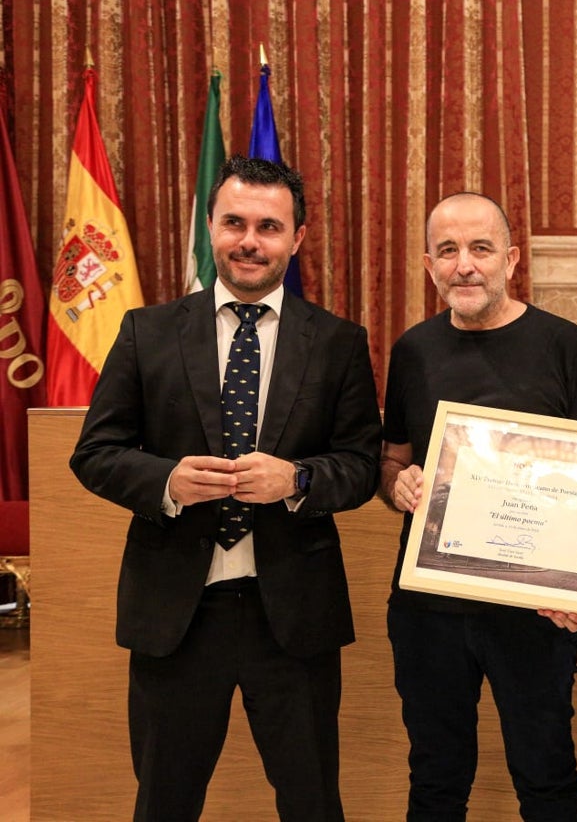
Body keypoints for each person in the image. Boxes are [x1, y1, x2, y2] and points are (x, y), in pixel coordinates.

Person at [70, 155, 382, 822]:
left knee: (313, 803)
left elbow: (359, 465)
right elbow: (95, 453)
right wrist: (167, 480)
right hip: (176, 615)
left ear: (296, 238)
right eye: (234, 222)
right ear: (209, 228)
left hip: (293, 619)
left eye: (269, 227)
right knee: (164, 802)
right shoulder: (146, 333)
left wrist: (297, 478)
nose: (249, 240)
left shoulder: (338, 343)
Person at [379, 191, 577, 821]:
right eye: (448, 251)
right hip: (430, 607)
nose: (465, 265)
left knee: (545, 774)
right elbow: (392, 458)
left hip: (535, 610)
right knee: (435, 776)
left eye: (480, 248)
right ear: (429, 266)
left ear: (511, 260)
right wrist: (397, 484)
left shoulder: (563, 344)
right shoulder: (413, 351)